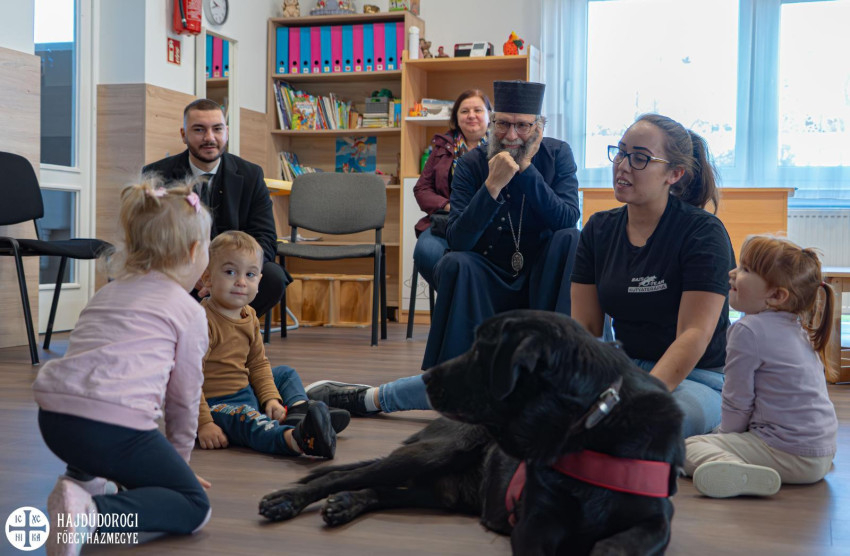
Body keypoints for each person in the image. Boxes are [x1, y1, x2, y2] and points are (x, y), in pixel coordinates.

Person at [306, 80, 581, 416]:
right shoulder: (471, 164)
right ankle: (454, 379)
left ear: (538, 127)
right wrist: (492, 186)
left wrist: (525, 170)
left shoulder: (558, 154)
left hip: (541, 275)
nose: (511, 136)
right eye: (503, 124)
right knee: (456, 262)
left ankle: (557, 360)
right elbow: (459, 239)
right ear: (493, 123)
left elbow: (567, 217)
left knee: (569, 238)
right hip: (489, 275)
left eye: (522, 126)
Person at [33, 181, 213, 554]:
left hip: (54, 422)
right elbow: (183, 399)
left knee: (97, 403)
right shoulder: (189, 311)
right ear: (195, 251)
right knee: (195, 508)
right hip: (112, 430)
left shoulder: (106, 292)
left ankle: (78, 483)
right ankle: (91, 514)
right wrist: (177, 467)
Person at [570, 113, 736, 439]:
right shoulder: (599, 229)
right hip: (625, 369)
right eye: (620, 152)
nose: (622, 166)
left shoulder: (703, 232)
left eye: (640, 158)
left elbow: (693, 334)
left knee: (645, 427)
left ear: (674, 174)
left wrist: (641, 396)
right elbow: (586, 328)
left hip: (699, 377)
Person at [685, 235, 837, 498]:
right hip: (820, 454)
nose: (732, 273)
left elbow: (737, 399)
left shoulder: (748, 330)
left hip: (788, 454)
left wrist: (724, 437)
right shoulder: (796, 328)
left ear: (776, 295)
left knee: (686, 447)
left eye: (745, 269)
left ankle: (736, 469)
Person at [196, 231, 348, 459]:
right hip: (216, 405)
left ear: (259, 281)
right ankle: (298, 439)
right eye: (230, 272)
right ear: (207, 278)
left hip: (245, 389)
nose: (241, 282)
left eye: (250, 274)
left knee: (285, 374)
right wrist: (204, 423)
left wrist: (271, 399)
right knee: (251, 421)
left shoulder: (249, 315)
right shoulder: (202, 322)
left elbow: (257, 364)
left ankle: (298, 412)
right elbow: (188, 379)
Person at [142, 98, 286, 318]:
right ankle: (186, 329)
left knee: (274, 277)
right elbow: (148, 238)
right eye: (199, 130)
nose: (209, 138)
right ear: (183, 134)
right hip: (180, 272)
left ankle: (230, 329)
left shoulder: (251, 174)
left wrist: (230, 274)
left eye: (217, 129)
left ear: (226, 132)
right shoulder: (157, 175)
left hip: (235, 274)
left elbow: (265, 237)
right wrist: (193, 273)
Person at [412, 89, 491, 286]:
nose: (471, 115)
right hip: (447, 222)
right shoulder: (442, 147)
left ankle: (467, 300)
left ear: (490, 115)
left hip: (490, 223)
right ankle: (456, 299)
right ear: (456, 117)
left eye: (478, 110)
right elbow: (422, 189)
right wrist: (448, 206)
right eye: (464, 111)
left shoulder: (502, 146)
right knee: (426, 252)